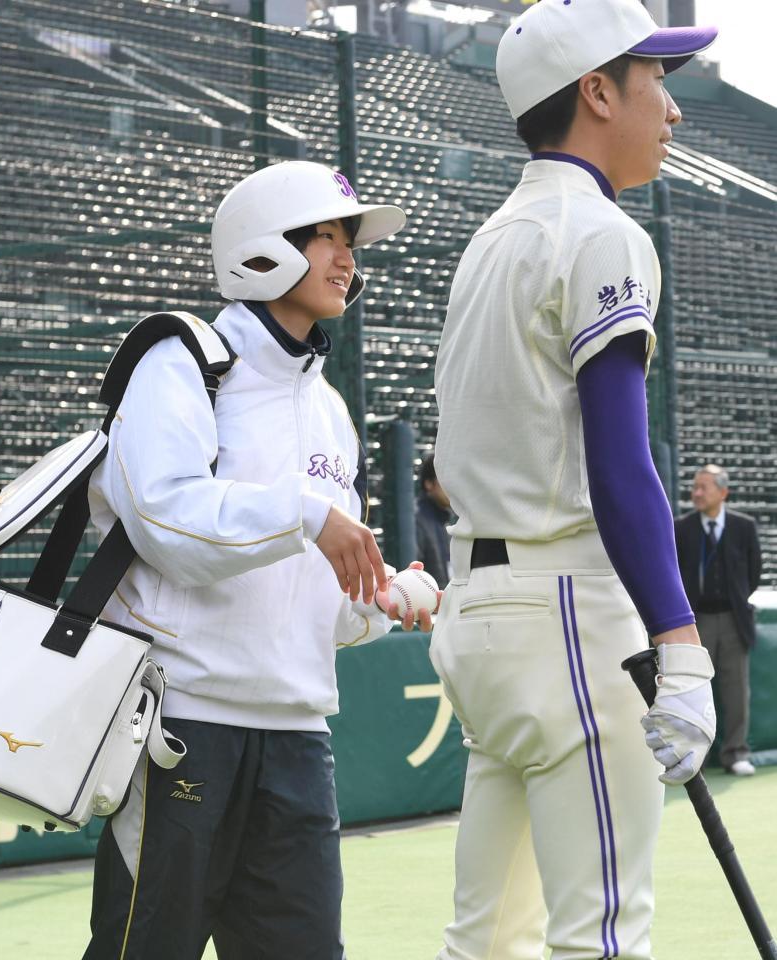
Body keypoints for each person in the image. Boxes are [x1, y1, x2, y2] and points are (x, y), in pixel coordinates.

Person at [81, 160, 428, 960]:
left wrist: (386, 597)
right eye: (328, 237)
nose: (348, 259)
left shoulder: (333, 411)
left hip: (300, 737)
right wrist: (308, 517)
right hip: (182, 727)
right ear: (263, 247)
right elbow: (166, 521)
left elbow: (328, 614)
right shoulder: (184, 362)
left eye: (351, 242)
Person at [430, 2, 718, 957]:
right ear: (597, 91)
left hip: (476, 612)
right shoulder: (597, 232)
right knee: (599, 936)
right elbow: (620, 464)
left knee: (486, 940)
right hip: (563, 610)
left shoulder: (488, 240)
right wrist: (679, 644)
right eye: (656, 81)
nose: (671, 110)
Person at [674, 464, 762, 776]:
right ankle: (690, 757)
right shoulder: (681, 528)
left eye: (703, 488)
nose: (696, 493)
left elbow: (753, 574)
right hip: (694, 622)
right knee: (692, 689)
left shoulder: (744, 526)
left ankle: (736, 753)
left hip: (733, 619)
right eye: (694, 487)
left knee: (736, 690)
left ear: (723, 492)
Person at [415, 453, 452, 589]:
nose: (452, 487)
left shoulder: (443, 519)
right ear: (429, 483)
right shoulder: (417, 519)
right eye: (445, 480)